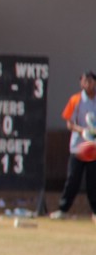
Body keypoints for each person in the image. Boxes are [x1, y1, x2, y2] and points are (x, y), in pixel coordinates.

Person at [50, 71, 96, 221]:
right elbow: (69, 123)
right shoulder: (75, 100)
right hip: (77, 147)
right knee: (73, 179)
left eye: (91, 81)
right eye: (85, 81)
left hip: (93, 148)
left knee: (93, 182)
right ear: (81, 83)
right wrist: (82, 130)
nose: (88, 84)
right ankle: (63, 209)